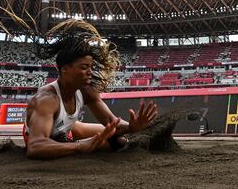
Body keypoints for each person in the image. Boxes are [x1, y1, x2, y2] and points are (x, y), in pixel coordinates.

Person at [20, 19, 158, 159]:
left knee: (119, 141)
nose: (90, 72)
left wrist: (132, 127)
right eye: (84, 67)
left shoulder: (86, 91)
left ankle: (70, 138)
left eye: (91, 67)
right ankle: (70, 141)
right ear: (65, 69)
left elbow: (112, 123)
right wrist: (79, 146)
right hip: (44, 136)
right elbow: (35, 147)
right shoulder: (47, 100)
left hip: (70, 129)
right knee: (101, 143)